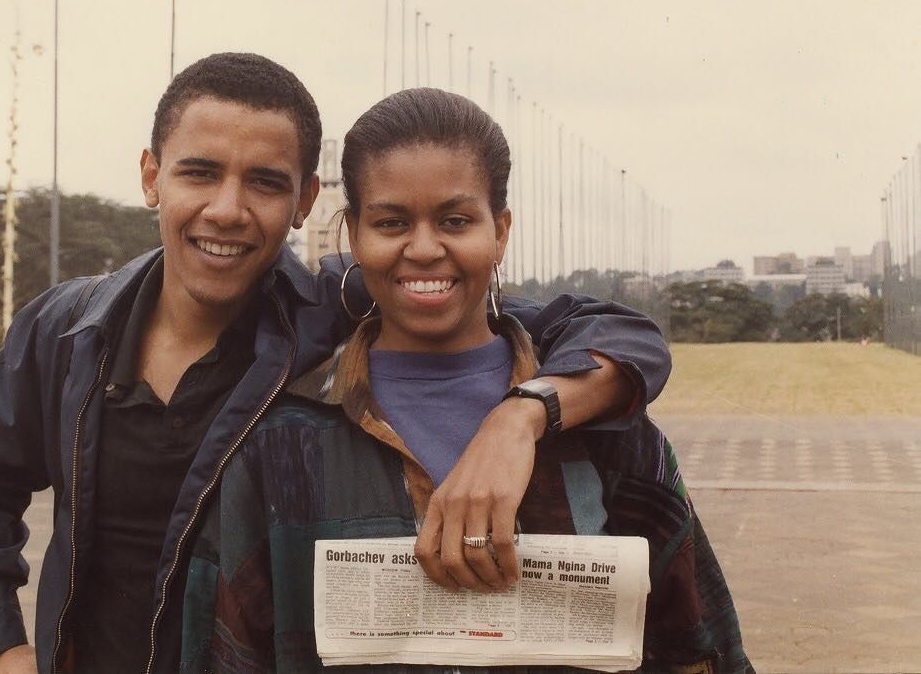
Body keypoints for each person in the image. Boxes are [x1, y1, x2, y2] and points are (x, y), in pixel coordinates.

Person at [0, 54, 672, 673]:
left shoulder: (329, 307)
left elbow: (604, 331)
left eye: (266, 182)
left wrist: (522, 415)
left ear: (308, 200)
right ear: (152, 175)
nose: (227, 208)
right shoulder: (66, 329)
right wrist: (1, 645)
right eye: (199, 172)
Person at [182, 88, 750, 672]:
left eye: (456, 220)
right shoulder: (281, 443)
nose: (424, 248)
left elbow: (699, 647)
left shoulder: (605, 429)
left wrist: (522, 419)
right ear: (353, 234)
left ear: (500, 230)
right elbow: (228, 650)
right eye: (391, 222)